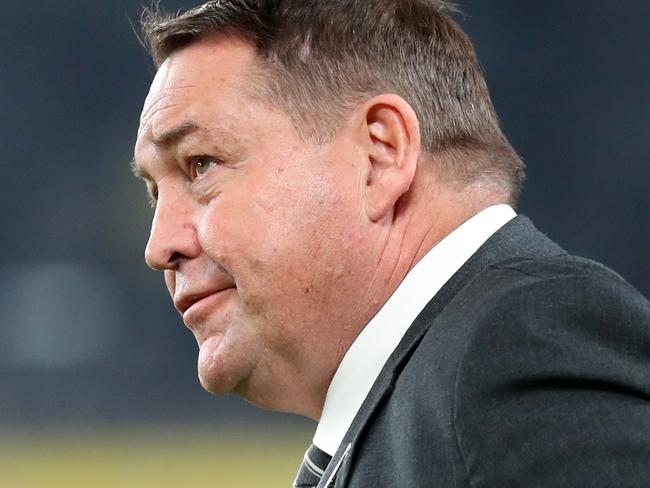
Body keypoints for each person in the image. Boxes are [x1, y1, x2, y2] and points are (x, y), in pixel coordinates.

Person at [131, 1, 650, 486]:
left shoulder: (521, 341)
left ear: (380, 154)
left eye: (201, 165)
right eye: (156, 193)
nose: (159, 246)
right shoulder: (421, 396)